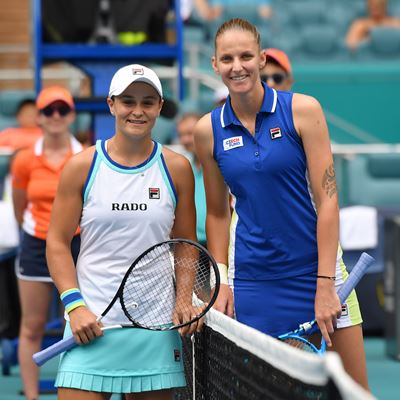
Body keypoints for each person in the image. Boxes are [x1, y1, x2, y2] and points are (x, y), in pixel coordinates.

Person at [193, 18, 369, 390]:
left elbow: (328, 199)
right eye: (227, 58)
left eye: (245, 56)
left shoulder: (304, 110)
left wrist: (324, 284)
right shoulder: (207, 130)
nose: (236, 66)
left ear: (260, 58)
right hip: (256, 282)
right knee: (268, 392)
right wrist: (221, 281)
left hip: (318, 271)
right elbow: (218, 212)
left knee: (355, 390)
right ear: (214, 64)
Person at [46, 64, 198, 400]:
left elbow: (185, 245)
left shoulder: (177, 168)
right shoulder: (81, 167)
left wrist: (184, 299)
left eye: (148, 102)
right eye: (128, 101)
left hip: (155, 330)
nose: (137, 111)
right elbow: (56, 242)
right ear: (111, 104)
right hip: (90, 326)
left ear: (160, 107)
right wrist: (75, 306)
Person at [11, 86, 83, 400]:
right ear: (39, 117)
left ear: (71, 116)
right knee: (32, 326)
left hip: (77, 245)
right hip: (35, 246)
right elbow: (19, 205)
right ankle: (31, 396)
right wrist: (39, 231)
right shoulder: (24, 160)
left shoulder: (84, 157)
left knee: (82, 321)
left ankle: (83, 389)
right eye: (49, 110)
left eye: (62, 110)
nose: (56, 116)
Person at [176, 112, 206, 248]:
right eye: (181, 135)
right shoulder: (183, 167)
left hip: (220, 246)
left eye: (189, 133)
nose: (185, 140)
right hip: (189, 246)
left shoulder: (223, 166)